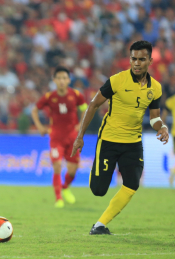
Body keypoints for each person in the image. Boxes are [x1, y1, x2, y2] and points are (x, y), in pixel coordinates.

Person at [71, 41, 170, 235]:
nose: (137, 63)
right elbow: (93, 105)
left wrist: (162, 127)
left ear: (150, 61)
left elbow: (155, 118)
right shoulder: (117, 80)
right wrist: (80, 136)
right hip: (109, 139)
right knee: (98, 190)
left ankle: (99, 225)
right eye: (134, 59)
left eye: (142, 59)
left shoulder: (155, 88)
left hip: (133, 143)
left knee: (132, 184)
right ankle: (97, 166)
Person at [31, 67, 87, 208]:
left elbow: (86, 109)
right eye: (59, 78)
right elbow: (34, 110)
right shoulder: (50, 96)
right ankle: (58, 199)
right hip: (56, 137)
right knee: (56, 166)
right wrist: (39, 126)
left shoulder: (76, 95)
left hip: (72, 137)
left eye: (64, 78)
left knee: (73, 170)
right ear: (54, 80)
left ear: (68, 80)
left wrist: (80, 125)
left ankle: (65, 186)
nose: (61, 81)